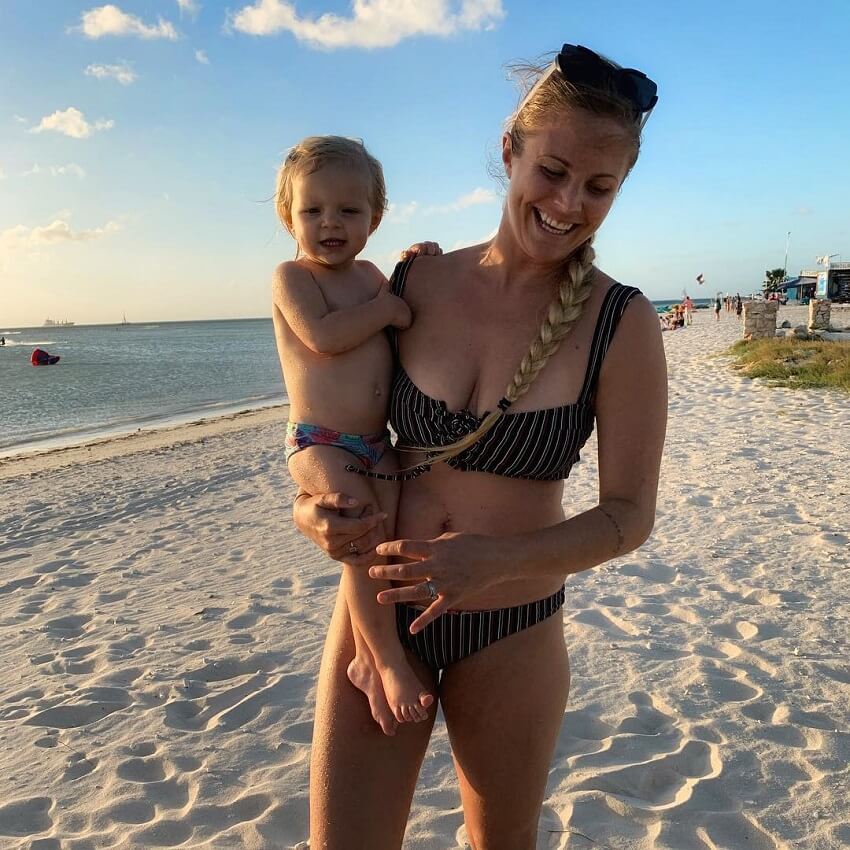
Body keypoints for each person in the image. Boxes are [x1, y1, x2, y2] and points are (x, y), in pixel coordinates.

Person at [292, 43, 667, 848]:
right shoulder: (412, 286)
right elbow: (330, 426)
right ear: (510, 152)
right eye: (554, 170)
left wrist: (495, 560)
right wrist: (310, 507)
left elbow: (631, 516)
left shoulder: (621, 323)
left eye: (599, 188)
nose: (568, 203)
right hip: (379, 619)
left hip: (514, 626)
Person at [271, 136, 441, 732]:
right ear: (287, 216)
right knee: (358, 529)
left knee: (389, 541)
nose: (330, 223)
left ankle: (370, 657)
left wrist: (419, 270)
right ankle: (386, 660)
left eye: (349, 210)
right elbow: (321, 335)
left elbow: (411, 320)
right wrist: (387, 309)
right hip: (321, 440)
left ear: (376, 216)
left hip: (379, 443)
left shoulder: (372, 275)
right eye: (312, 210)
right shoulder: (293, 276)